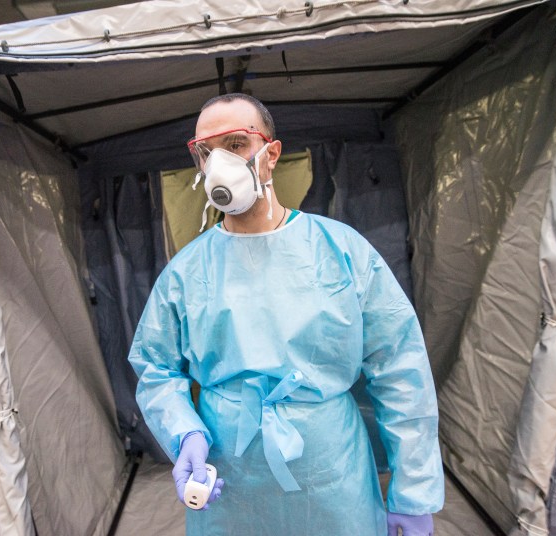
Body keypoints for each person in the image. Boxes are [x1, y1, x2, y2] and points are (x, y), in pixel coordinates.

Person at [128, 93, 444, 536]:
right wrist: (186, 434)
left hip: (331, 475)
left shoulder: (341, 250)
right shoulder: (187, 271)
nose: (220, 162)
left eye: (236, 143)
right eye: (206, 151)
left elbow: (399, 367)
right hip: (230, 477)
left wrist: (413, 493)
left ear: (270, 154)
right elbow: (156, 367)